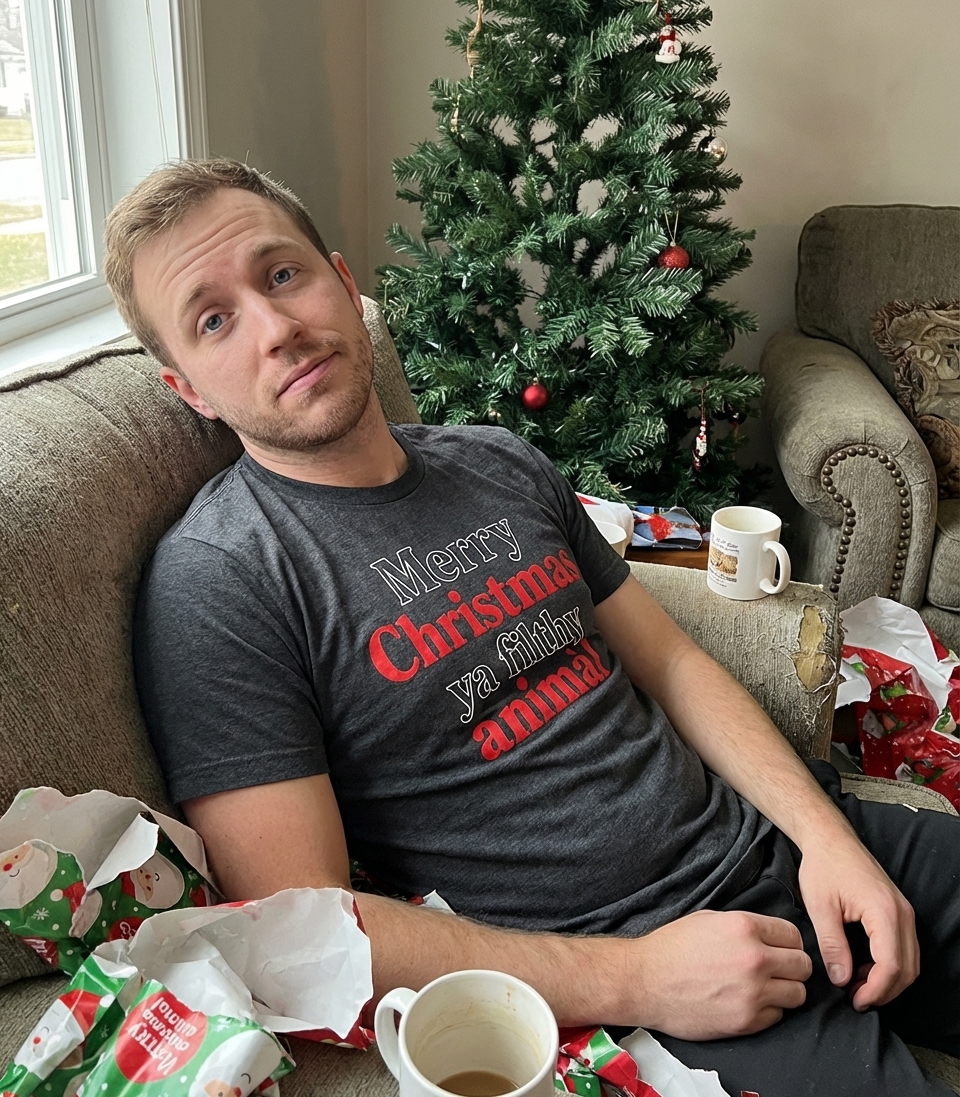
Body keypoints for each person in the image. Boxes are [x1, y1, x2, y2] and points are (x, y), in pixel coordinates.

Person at [107, 158, 959, 1097]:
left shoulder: (498, 460)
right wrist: (642, 980)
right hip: (636, 978)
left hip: (774, 841)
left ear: (345, 285)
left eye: (282, 274)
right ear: (188, 388)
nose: (277, 329)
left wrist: (828, 838)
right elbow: (301, 930)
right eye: (214, 320)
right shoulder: (221, 578)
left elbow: (672, 663)